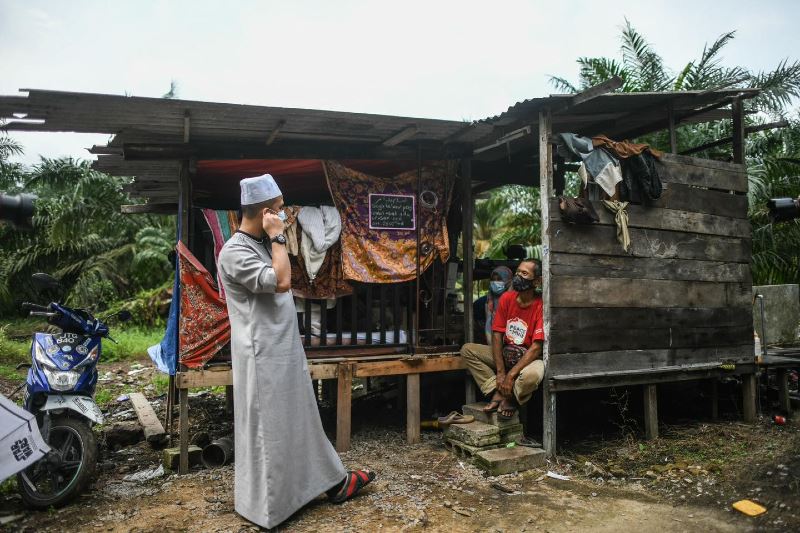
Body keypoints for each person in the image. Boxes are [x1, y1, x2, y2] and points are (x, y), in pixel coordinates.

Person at [217, 174, 375, 530]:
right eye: (280, 207)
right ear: (266, 211)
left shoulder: (259, 244)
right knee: (268, 429)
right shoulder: (236, 252)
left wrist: (273, 240)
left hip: (282, 350)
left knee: (300, 420)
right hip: (261, 356)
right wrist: (277, 238)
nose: (285, 213)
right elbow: (282, 281)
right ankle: (268, 509)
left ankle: (330, 483)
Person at [460, 259, 544, 420]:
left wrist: (510, 376)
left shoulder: (541, 304)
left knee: (532, 376)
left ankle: (510, 398)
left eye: (525, 273)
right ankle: (499, 391)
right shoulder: (507, 298)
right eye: (518, 272)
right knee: (468, 350)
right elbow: (497, 334)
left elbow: (536, 347)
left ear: (537, 280)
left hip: (530, 359)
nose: (519, 276)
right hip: (507, 354)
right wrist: (500, 373)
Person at [484, 266, 513, 344]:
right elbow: (488, 322)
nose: (495, 282)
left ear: (508, 280)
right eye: (493, 280)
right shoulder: (490, 299)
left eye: (499, 279)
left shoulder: (514, 297)